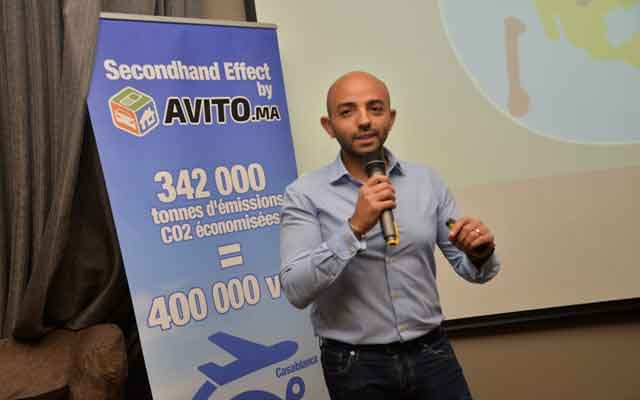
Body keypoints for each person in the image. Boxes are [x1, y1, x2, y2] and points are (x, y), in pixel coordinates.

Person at [279, 71, 500, 399]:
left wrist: (479, 253)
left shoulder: (427, 182)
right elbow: (296, 289)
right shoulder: (304, 194)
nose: (364, 120)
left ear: (391, 118)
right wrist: (354, 227)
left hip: (432, 354)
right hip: (355, 364)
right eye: (347, 111)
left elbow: (473, 270)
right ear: (329, 126)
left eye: (375, 108)